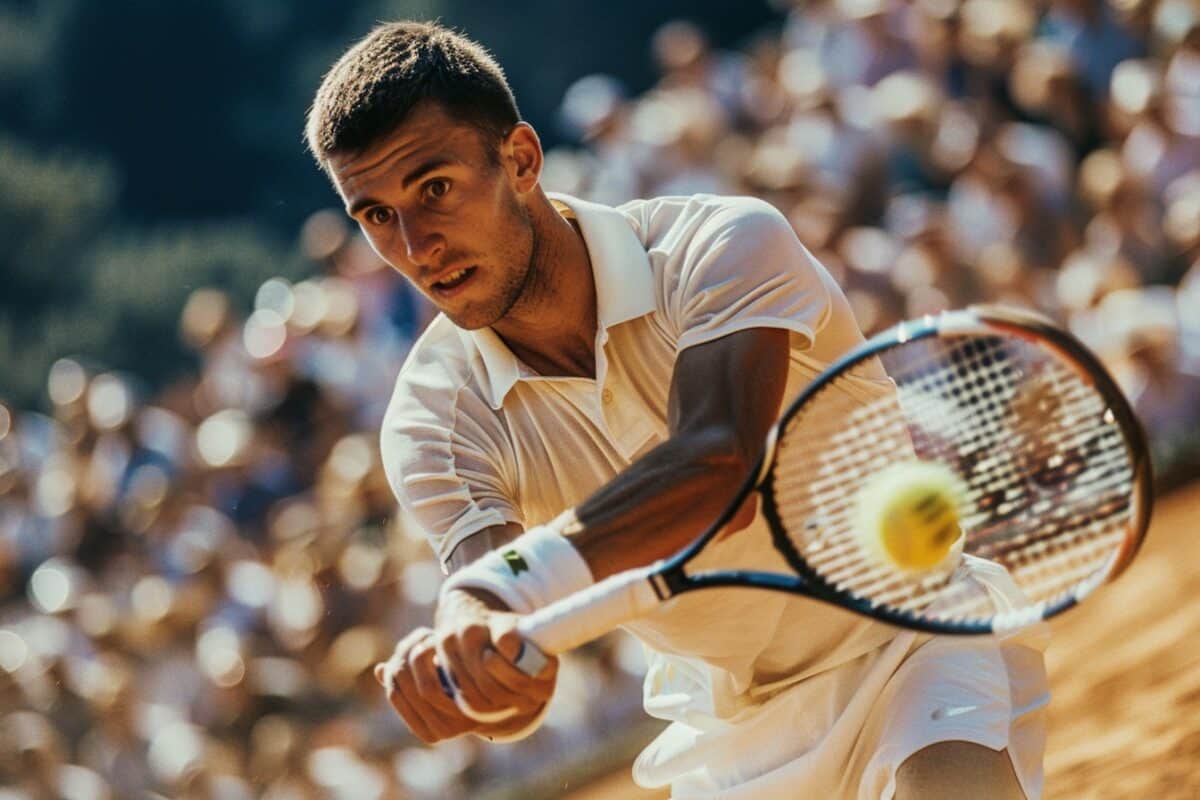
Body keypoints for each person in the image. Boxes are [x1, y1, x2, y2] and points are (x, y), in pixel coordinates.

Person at [305, 21, 1047, 800]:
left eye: (435, 189)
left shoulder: (723, 243)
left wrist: (502, 591)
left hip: (915, 634)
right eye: (378, 217)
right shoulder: (428, 419)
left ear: (520, 160)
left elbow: (718, 463)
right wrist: (485, 670)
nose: (418, 247)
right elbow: (503, 635)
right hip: (730, 730)